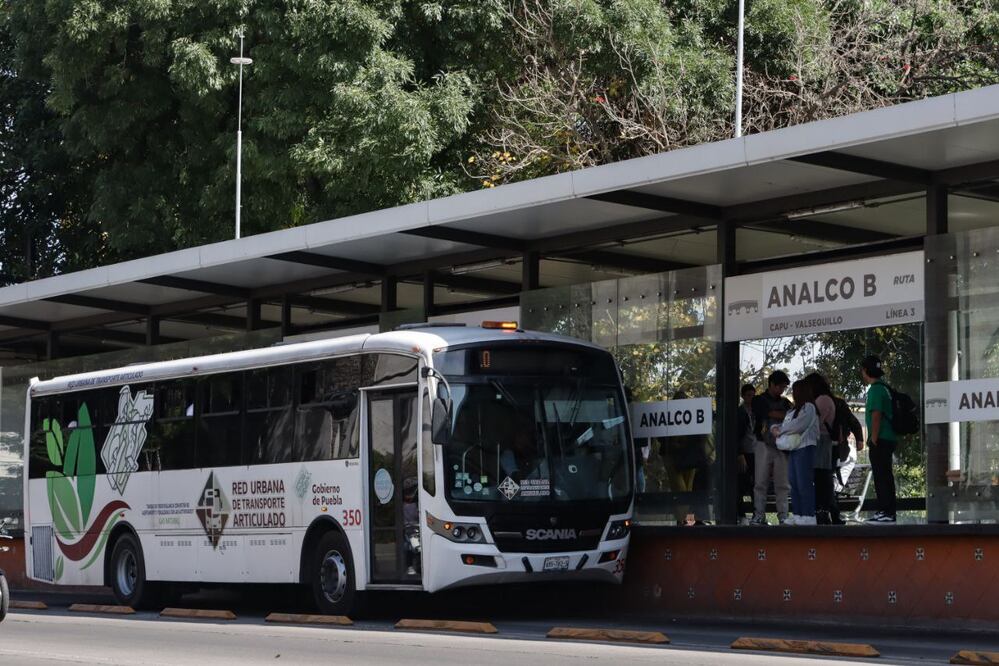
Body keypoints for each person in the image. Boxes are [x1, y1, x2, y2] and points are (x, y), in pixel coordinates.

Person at [772, 380, 820, 526]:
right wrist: (774, 427)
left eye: (794, 390)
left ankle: (809, 515)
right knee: (794, 482)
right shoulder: (794, 410)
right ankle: (798, 514)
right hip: (795, 448)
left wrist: (780, 430)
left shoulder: (809, 407)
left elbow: (799, 425)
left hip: (805, 447)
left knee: (804, 482)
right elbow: (786, 424)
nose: (792, 393)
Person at [750, 372, 792, 525]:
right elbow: (772, 413)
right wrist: (784, 415)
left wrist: (782, 415)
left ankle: (783, 516)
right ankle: (759, 515)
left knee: (783, 483)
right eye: (780, 386)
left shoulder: (786, 402)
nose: (782, 390)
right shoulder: (759, 400)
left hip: (782, 446)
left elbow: (790, 415)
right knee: (760, 481)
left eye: (784, 387)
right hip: (763, 444)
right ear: (772, 384)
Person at [861, 355, 898, 524]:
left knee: (881, 476)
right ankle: (888, 511)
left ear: (865, 371)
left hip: (880, 439)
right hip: (888, 438)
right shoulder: (885, 388)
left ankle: (885, 511)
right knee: (886, 475)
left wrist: (873, 438)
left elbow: (876, 415)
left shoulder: (875, 390)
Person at [805, 372, 840, 525]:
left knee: (821, 477)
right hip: (822, 442)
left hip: (821, 441)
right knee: (822, 478)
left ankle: (822, 510)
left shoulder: (822, 400)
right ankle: (825, 510)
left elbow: (814, 423)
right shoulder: (826, 399)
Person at [736, 384, 757, 523]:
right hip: (745, 452)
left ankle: (757, 514)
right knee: (741, 484)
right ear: (743, 396)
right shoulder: (740, 412)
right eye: (748, 395)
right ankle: (741, 514)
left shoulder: (756, 411)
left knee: (756, 484)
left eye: (753, 395)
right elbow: (736, 435)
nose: (751, 398)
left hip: (756, 451)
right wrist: (740, 454)